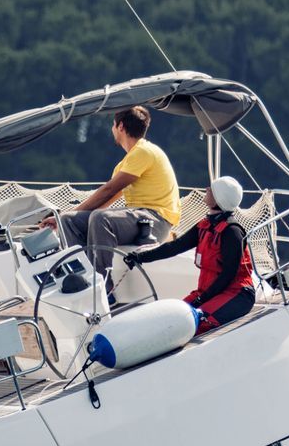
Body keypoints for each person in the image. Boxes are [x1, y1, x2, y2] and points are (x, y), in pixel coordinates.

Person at [45, 105, 180, 280]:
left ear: (121, 127)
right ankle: (82, 277)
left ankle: (101, 285)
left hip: (155, 221)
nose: (112, 129)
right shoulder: (127, 162)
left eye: (113, 125)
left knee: (101, 218)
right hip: (137, 217)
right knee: (68, 221)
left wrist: (74, 210)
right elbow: (106, 200)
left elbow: (109, 190)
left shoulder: (143, 151)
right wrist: (61, 217)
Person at [125, 176, 255, 334]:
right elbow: (174, 247)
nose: (207, 189)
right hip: (208, 293)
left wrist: (202, 299)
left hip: (236, 294)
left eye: (212, 189)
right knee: (170, 320)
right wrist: (140, 257)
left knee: (193, 324)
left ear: (219, 200)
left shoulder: (232, 232)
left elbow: (228, 275)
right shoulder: (205, 226)